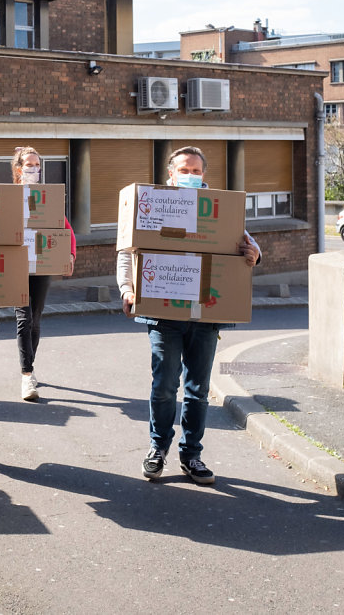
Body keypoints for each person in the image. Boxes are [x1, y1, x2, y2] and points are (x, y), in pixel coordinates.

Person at [116, 146, 260, 485]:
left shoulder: (222, 209)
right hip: (163, 312)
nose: (190, 175)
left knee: (197, 389)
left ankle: (191, 455)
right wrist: (126, 288)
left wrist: (255, 254)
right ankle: (157, 449)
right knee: (165, 385)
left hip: (206, 313)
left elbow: (248, 245)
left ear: (204, 174)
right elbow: (128, 248)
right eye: (184, 169)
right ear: (170, 173)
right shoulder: (152, 204)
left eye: (196, 170)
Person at [11, 146, 76, 401]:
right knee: (24, 319)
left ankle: (30, 365)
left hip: (41, 264)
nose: (34, 170)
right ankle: (27, 375)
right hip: (18, 265)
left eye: (37, 165)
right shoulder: (9, 196)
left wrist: (69, 253)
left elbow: (65, 226)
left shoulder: (46, 197)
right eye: (29, 165)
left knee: (35, 320)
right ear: (19, 169)